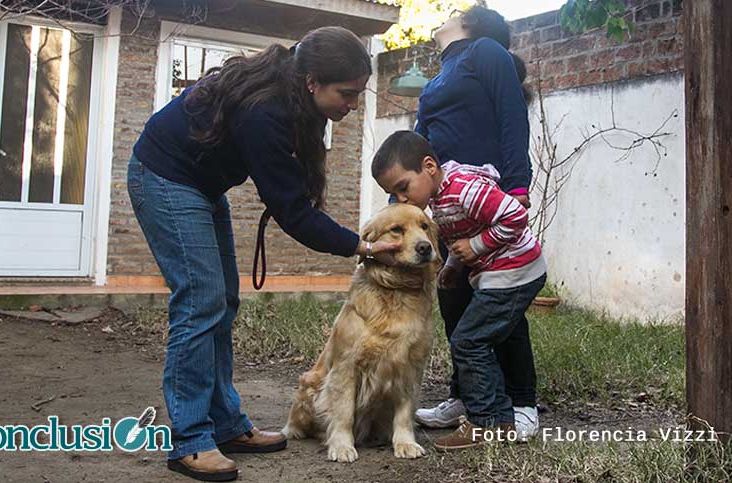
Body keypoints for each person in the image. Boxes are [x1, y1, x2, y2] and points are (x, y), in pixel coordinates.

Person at [127, 27, 400, 482]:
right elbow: (293, 212)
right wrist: (364, 246)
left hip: (200, 185)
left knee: (222, 302)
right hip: (165, 178)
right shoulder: (266, 110)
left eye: (357, 95)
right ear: (313, 80)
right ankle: (191, 440)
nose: (352, 105)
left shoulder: (297, 100)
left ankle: (227, 425)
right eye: (347, 94)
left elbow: (296, 198)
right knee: (200, 303)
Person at [411, 6, 541, 440]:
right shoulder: (436, 78)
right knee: (456, 302)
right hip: (450, 208)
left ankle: (522, 402)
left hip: (486, 199)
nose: (446, 12)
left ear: (472, 24)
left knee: (500, 302)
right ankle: (468, 396)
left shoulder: (485, 52)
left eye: (456, 10)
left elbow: (512, 117)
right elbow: (418, 142)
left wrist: (518, 188)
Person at [372, 130, 546, 448]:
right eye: (394, 194)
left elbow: (515, 215)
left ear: (429, 167)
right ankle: (499, 418)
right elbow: (461, 232)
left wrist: (478, 246)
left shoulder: (464, 188)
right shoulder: (437, 198)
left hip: (516, 271)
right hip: (496, 273)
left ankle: (486, 423)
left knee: (469, 340)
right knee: (472, 339)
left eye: (403, 188)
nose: (402, 200)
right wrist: (453, 265)